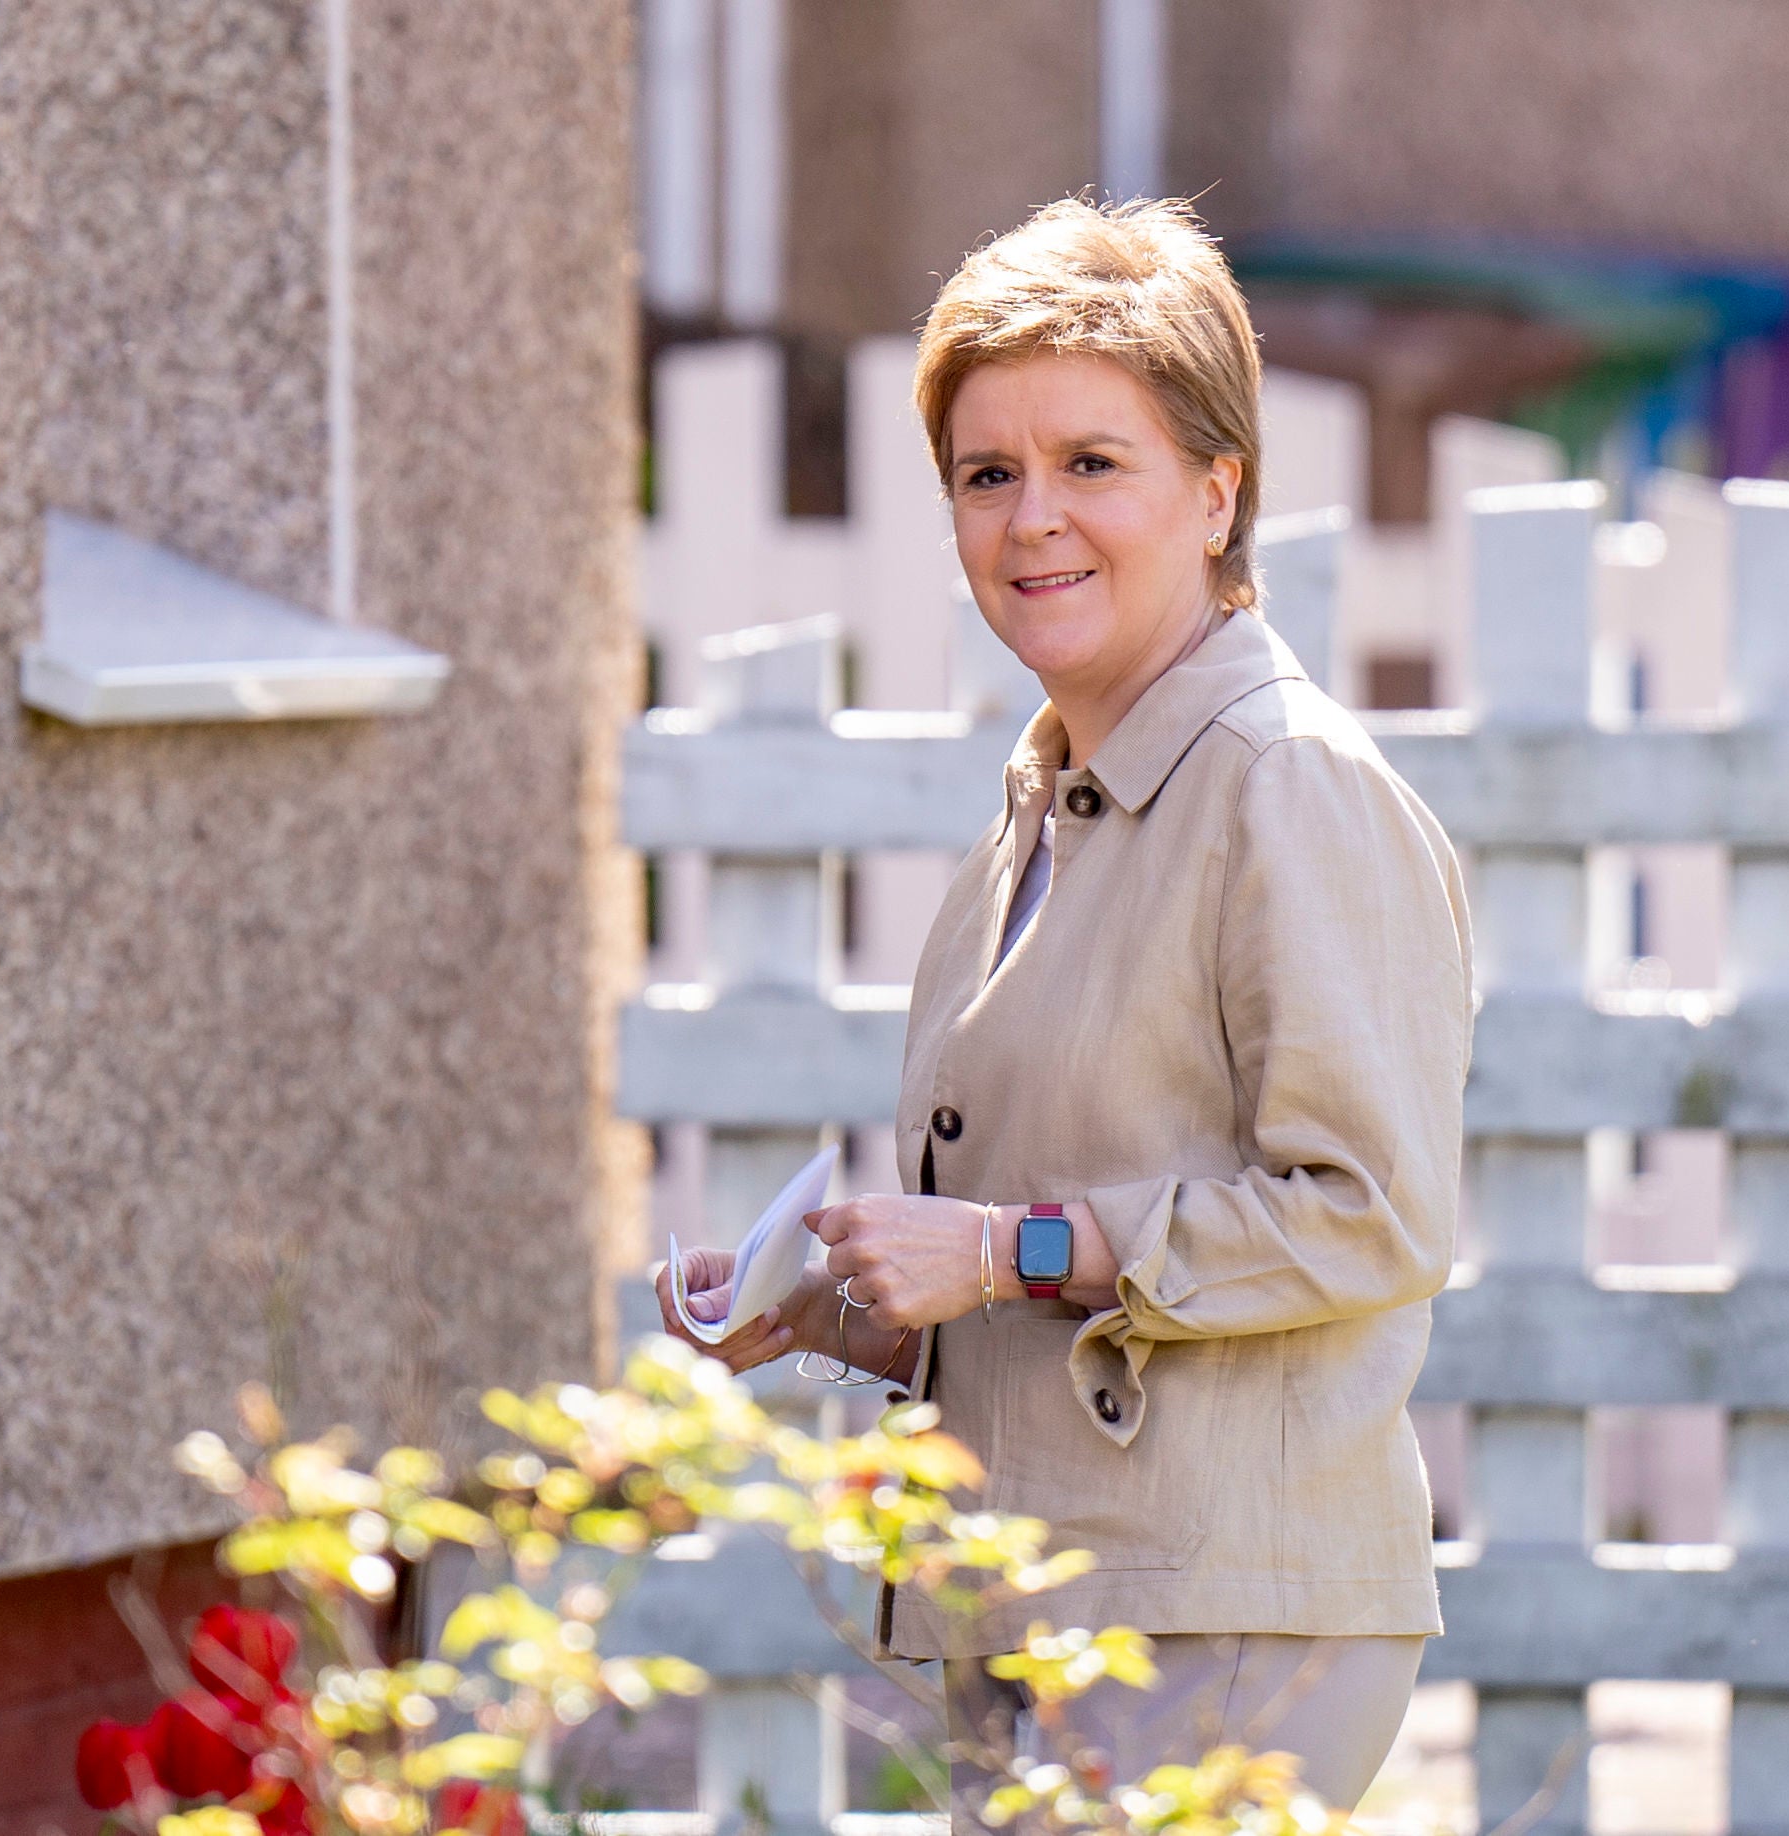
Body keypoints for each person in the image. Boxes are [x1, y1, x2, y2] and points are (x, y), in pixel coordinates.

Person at [655, 196, 1472, 1814]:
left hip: (1223, 1617)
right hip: (1051, 1602)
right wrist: (827, 1308)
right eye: (987, 473)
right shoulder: (1048, 803)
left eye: (1093, 463)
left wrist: (1012, 1246)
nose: (1033, 520)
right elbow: (1050, 1263)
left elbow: (1372, 1215)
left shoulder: (1285, 784)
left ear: (1218, 490)